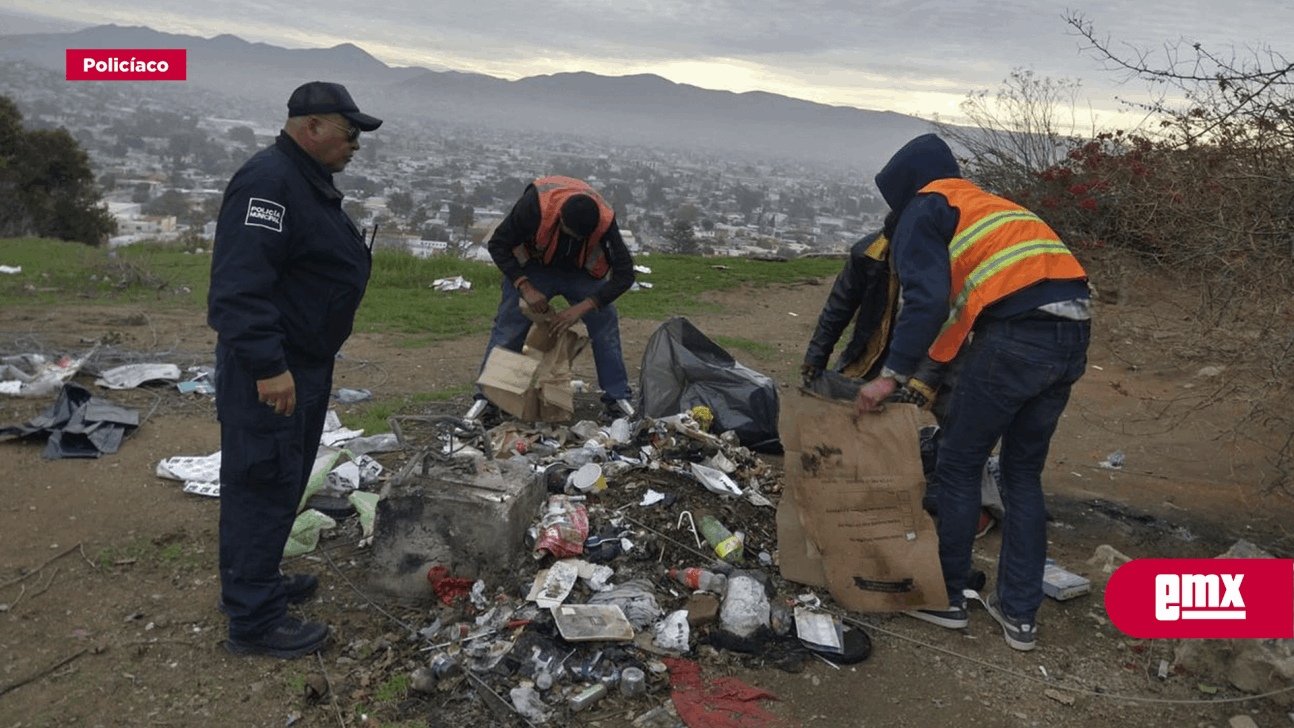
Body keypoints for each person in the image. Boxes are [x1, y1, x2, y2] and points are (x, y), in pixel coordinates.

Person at [856, 133, 1091, 651]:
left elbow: (928, 302)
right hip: (1073, 334)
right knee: (1022, 474)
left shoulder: (924, 208)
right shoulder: (992, 207)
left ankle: (945, 599)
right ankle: (1019, 613)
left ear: (906, 188)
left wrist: (889, 375)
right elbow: (963, 317)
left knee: (960, 464)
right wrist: (927, 374)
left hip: (1018, 336)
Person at [207, 81, 381, 659]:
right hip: (274, 369)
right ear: (311, 127)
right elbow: (238, 288)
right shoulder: (270, 183)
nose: (355, 142)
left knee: (282, 480)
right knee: (260, 483)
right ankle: (254, 622)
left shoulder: (303, 180)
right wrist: (267, 365)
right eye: (348, 131)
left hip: (301, 364)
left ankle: (257, 583)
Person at [467, 175, 637, 423]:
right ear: (560, 220)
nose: (575, 239)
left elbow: (624, 275)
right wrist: (524, 286)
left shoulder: (604, 219)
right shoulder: (534, 207)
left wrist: (585, 306)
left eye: (582, 237)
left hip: (580, 272)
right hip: (536, 266)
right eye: (571, 234)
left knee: (605, 319)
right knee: (511, 323)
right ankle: (490, 400)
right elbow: (498, 244)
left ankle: (617, 397)